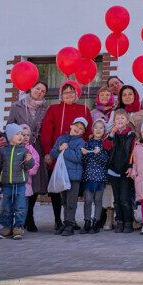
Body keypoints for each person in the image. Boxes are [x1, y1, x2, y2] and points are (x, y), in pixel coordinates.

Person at [41, 81, 93, 233]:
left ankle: (70, 221)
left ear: (77, 94)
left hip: (75, 159)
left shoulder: (84, 109)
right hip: (57, 156)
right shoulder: (53, 109)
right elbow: (46, 132)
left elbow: (88, 133)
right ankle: (59, 221)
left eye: (72, 92)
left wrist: (85, 152)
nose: (69, 94)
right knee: (58, 192)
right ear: (61, 95)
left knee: (72, 193)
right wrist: (48, 152)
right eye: (66, 92)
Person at [7, 81, 49, 232]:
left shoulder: (46, 108)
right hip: (20, 147)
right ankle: (17, 217)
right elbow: (10, 126)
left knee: (34, 182)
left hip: (37, 147)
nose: (39, 92)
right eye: (37, 88)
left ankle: (29, 217)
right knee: (21, 181)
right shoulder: (17, 106)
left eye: (43, 91)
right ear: (31, 88)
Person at [0, 123, 34, 240]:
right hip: (6, 186)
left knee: (20, 207)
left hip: (20, 185)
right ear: (10, 136)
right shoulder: (3, 152)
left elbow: (29, 166)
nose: (21, 136)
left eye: (22, 134)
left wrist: (29, 160)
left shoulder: (25, 150)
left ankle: (18, 227)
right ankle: (7, 227)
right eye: (17, 134)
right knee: (6, 207)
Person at [50, 117, 88, 236]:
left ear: (82, 132)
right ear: (71, 125)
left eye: (81, 128)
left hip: (73, 177)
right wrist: (59, 148)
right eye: (76, 126)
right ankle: (66, 223)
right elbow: (52, 154)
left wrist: (65, 150)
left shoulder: (81, 142)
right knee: (65, 201)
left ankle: (70, 224)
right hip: (62, 175)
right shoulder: (61, 139)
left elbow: (77, 158)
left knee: (71, 202)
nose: (78, 129)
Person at [104, 112, 135, 233]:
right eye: (117, 119)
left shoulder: (131, 135)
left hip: (125, 171)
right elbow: (106, 146)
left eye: (123, 118)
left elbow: (133, 152)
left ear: (127, 121)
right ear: (114, 122)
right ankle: (119, 221)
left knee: (125, 198)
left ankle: (128, 222)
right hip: (113, 170)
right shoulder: (111, 134)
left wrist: (131, 166)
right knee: (116, 198)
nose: (120, 120)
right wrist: (112, 133)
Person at [81, 119, 110, 234]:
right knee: (87, 200)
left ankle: (96, 222)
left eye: (101, 128)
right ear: (92, 130)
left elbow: (106, 161)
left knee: (98, 200)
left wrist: (98, 154)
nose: (98, 130)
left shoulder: (105, 144)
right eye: (96, 127)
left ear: (104, 130)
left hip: (100, 177)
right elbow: (83, 161)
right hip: (88, 176)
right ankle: (87, 221)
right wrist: (84, 154)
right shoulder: (87, 144)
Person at [18, 124, 41, 229]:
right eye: (23, 135)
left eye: (28, 135)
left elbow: (36, 162)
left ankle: (21, 225)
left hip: (26, 182)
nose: (26, 137)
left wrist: (29, 170)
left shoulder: (31, 149)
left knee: (23, 204)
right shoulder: (13, 148)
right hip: (13, 181)